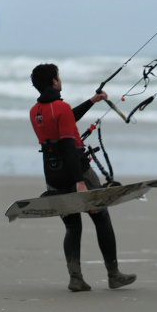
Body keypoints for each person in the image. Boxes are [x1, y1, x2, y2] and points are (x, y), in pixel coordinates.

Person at [30, 63, 136, 292]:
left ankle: (75, 278)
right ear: (54, 82)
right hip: (77, 172)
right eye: (59, 76)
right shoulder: (61, 108)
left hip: (52, 175)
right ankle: (113, 275)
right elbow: (68, 145)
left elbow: (65, 118)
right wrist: (79, 181)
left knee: (72, 226)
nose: (60, 79)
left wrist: (92, 101)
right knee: (101, 218)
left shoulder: (36, 112)